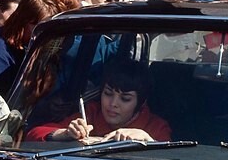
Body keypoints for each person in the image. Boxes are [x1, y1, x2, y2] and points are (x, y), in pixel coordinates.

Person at [25, 59, 171, 142]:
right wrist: (64, 134)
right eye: (107, 93)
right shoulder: (91, 113)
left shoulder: (156, 127)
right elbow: (33, 134)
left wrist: (148, 140)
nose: (113, 104)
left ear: (141, 103)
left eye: (125, 99)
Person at [0, 0, 80, 97]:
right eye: (40, 28)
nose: (46, 34)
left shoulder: (32, 46)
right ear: (23, 22)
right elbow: (1, 101)